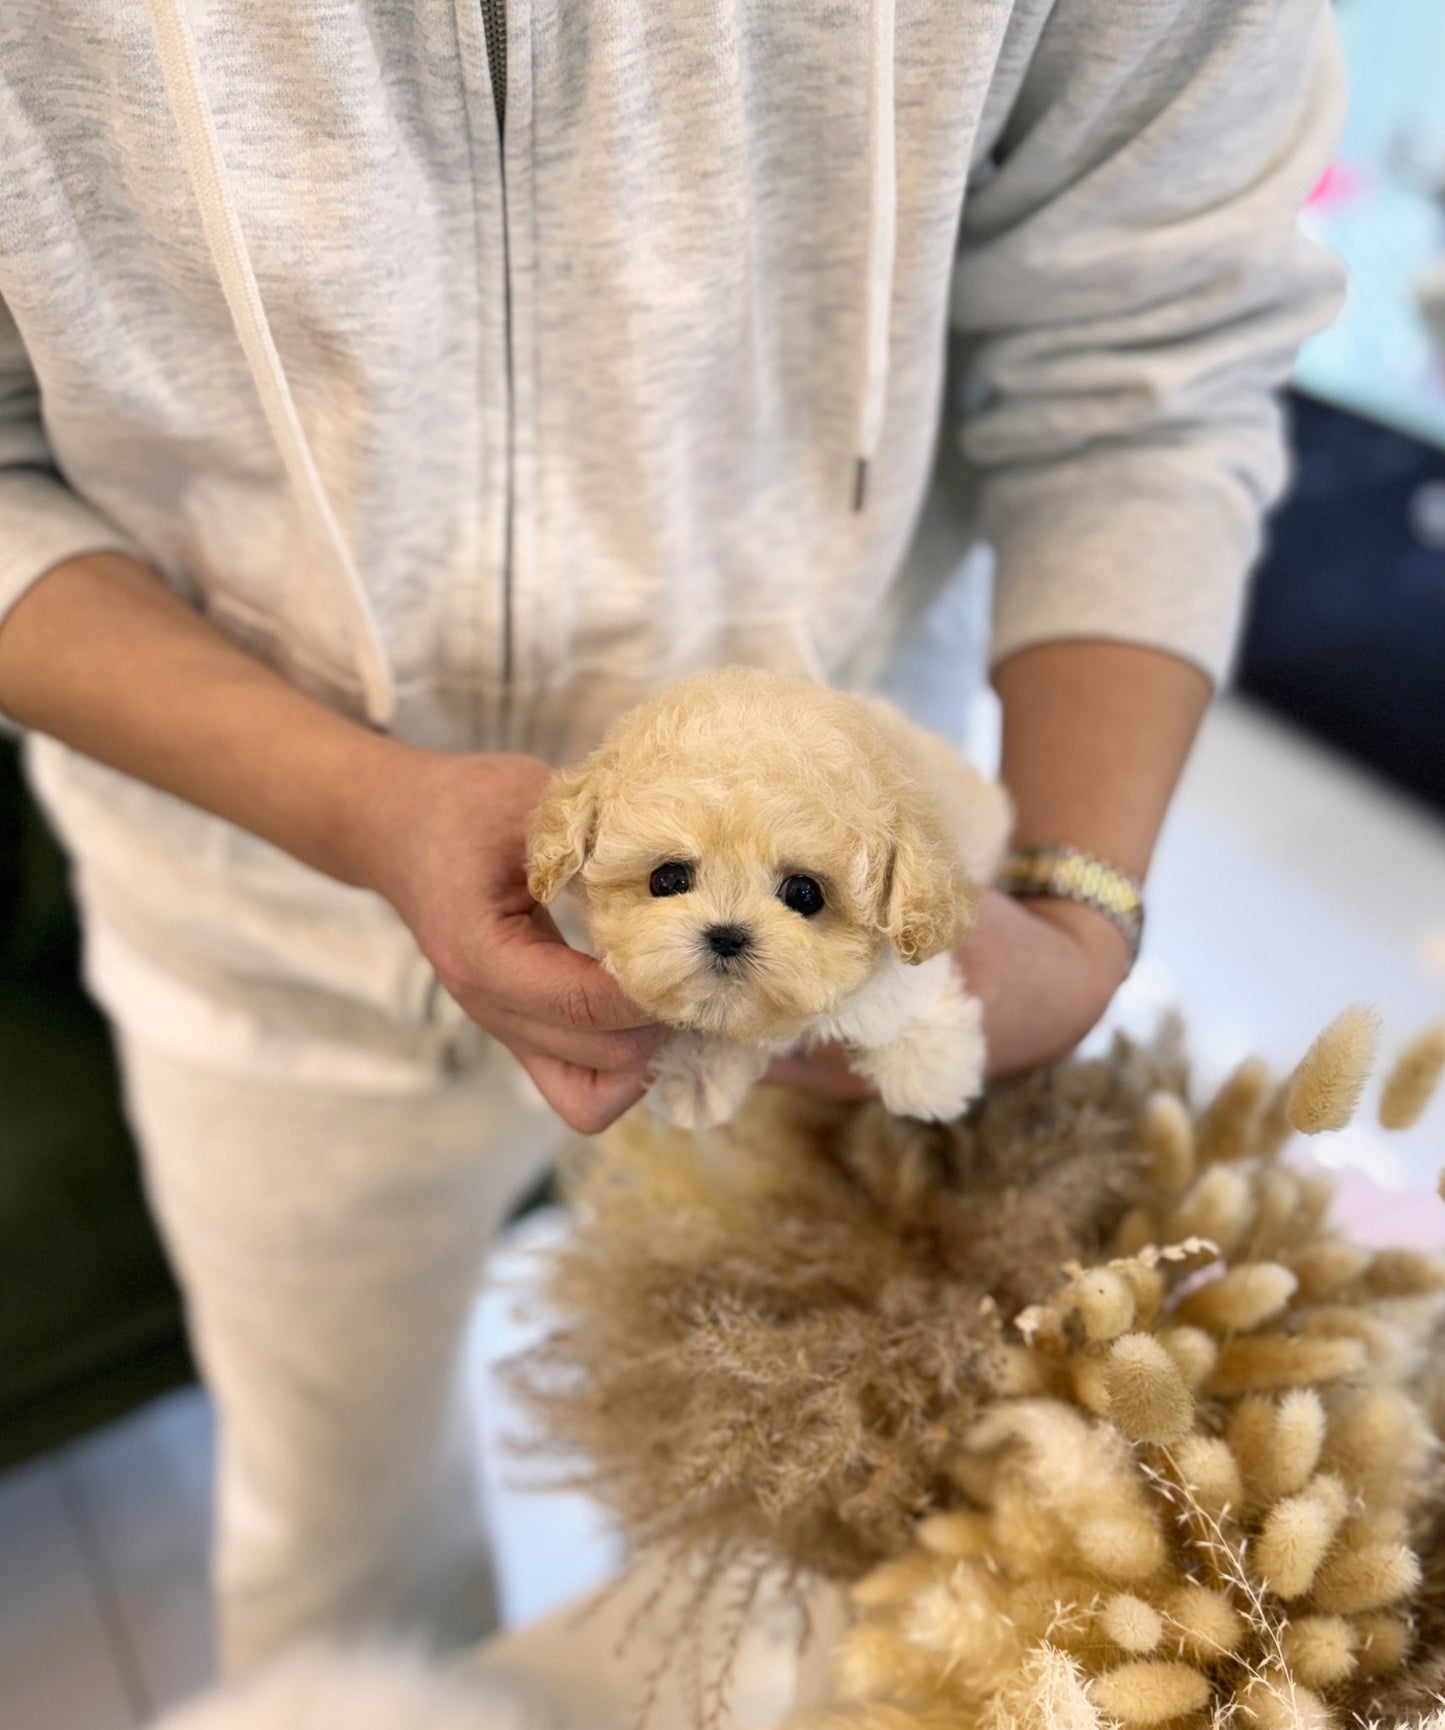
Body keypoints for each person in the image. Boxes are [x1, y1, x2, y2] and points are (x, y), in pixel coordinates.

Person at [0, 0, 1343, 1681]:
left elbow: (1154, 366)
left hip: (840, 1000)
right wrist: (358, 808)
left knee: (818, 1529)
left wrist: (1072, 900)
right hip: (248, 921)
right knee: (331, 1545)